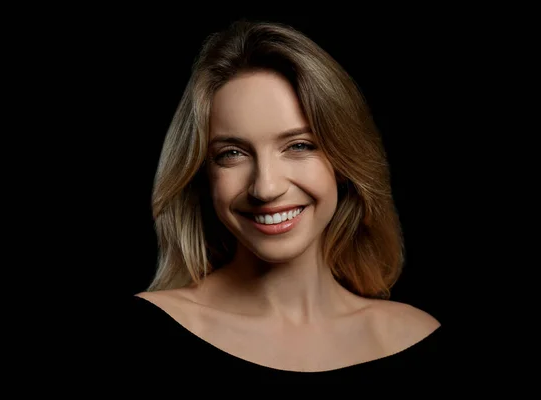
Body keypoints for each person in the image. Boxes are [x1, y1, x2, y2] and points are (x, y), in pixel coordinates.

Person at [129, 19, 442, 384]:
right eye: (232, 153)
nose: (265, 187)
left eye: (299, 146)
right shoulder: (150, 327)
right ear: (203, 173)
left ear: (343, 161)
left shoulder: (416, 335)